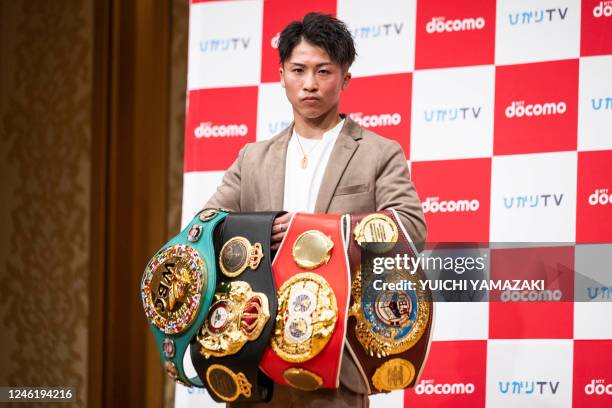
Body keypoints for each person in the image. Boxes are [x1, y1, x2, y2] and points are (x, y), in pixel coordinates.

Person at [205, 12, 426, 407]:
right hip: (253, 362)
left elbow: (409, 228)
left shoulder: (378, 152)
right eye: (299, 70)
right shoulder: (252, 157)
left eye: (323, 71)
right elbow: (206, 228)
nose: (310, 84)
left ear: (345, 78)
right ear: (282, 75)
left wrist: (311, 230)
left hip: (338, 360)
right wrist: (261, 230)